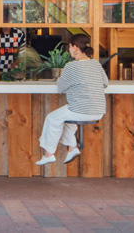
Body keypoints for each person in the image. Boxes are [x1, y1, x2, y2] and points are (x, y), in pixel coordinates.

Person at [35, 33, 108, 166]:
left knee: (52, 118)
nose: (68, 50)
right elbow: (105, 83)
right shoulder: (96, 64)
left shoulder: (71, 66)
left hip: (80, 109)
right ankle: (72, 148)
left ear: (75, 47)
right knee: (65, 120)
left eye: (69, 47)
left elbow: (61, 88)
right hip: (98, 110)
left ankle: (49, 154)